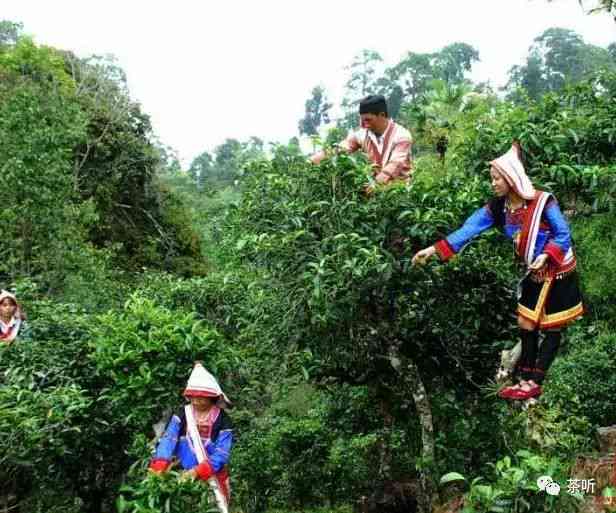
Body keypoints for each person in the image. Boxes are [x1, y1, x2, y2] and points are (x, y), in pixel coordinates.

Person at [412, 142, 583, 401]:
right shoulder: (498, 208)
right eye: (492, 179)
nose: (493, 183)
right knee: (525, 323)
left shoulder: (542, 202)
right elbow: (469, 228)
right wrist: (434, 250)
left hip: (557, 268)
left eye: (497, 178)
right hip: (534, 271)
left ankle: (534, 382)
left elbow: (563, 234)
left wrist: (547, 254)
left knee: (552, 327)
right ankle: (526, 380)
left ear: (512, 178)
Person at [149, 362, 234, 513]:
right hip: (180, 471)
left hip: (210, 476)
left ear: (212, 397)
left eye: (201, 398)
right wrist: (161, 463)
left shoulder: (223, 420)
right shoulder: (183, 413)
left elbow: (221, 454)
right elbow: (169, 438)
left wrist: (197, 471)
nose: (196, 401)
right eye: (193, 397)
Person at [311, 94, 413, 190]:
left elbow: (395, 164)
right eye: (362, 120)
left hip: (399, 193)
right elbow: (339, 149)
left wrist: (376, 184)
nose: (364, 125)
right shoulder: (362, 135)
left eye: (368, 120)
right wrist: (311, 162)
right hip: (375, 193)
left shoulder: (402, 136)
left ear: (382, 115)